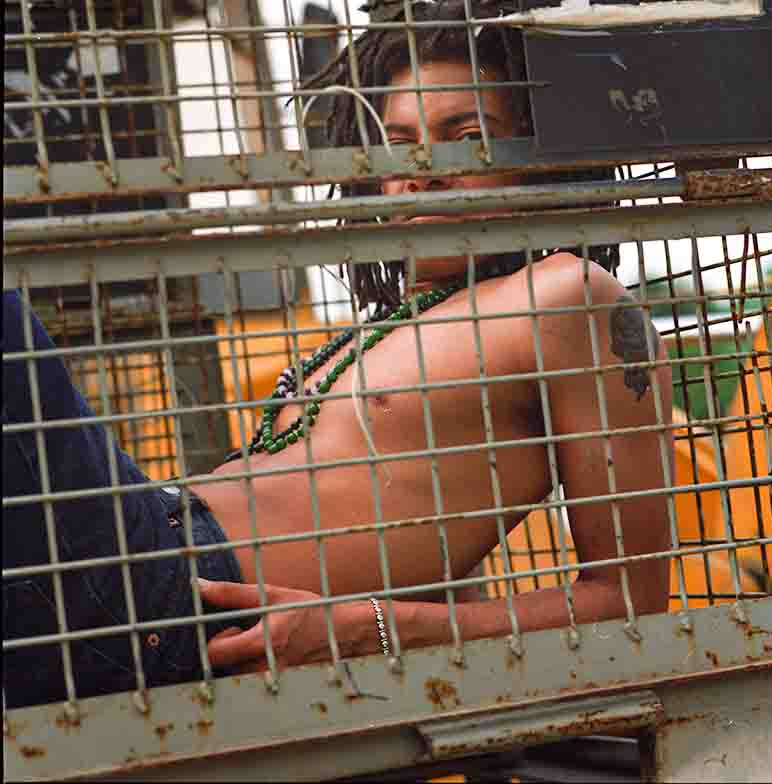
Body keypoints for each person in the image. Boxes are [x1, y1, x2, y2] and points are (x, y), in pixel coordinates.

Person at [2, 0, 671, 708]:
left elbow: (630, 600)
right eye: (398, 143)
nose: (422, 170)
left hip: (164, 593)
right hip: (118, 550)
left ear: (532, 164)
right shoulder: (384, 328)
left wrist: (370, 629)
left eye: (464, 138)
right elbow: (425, 542)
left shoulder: (568, 295)